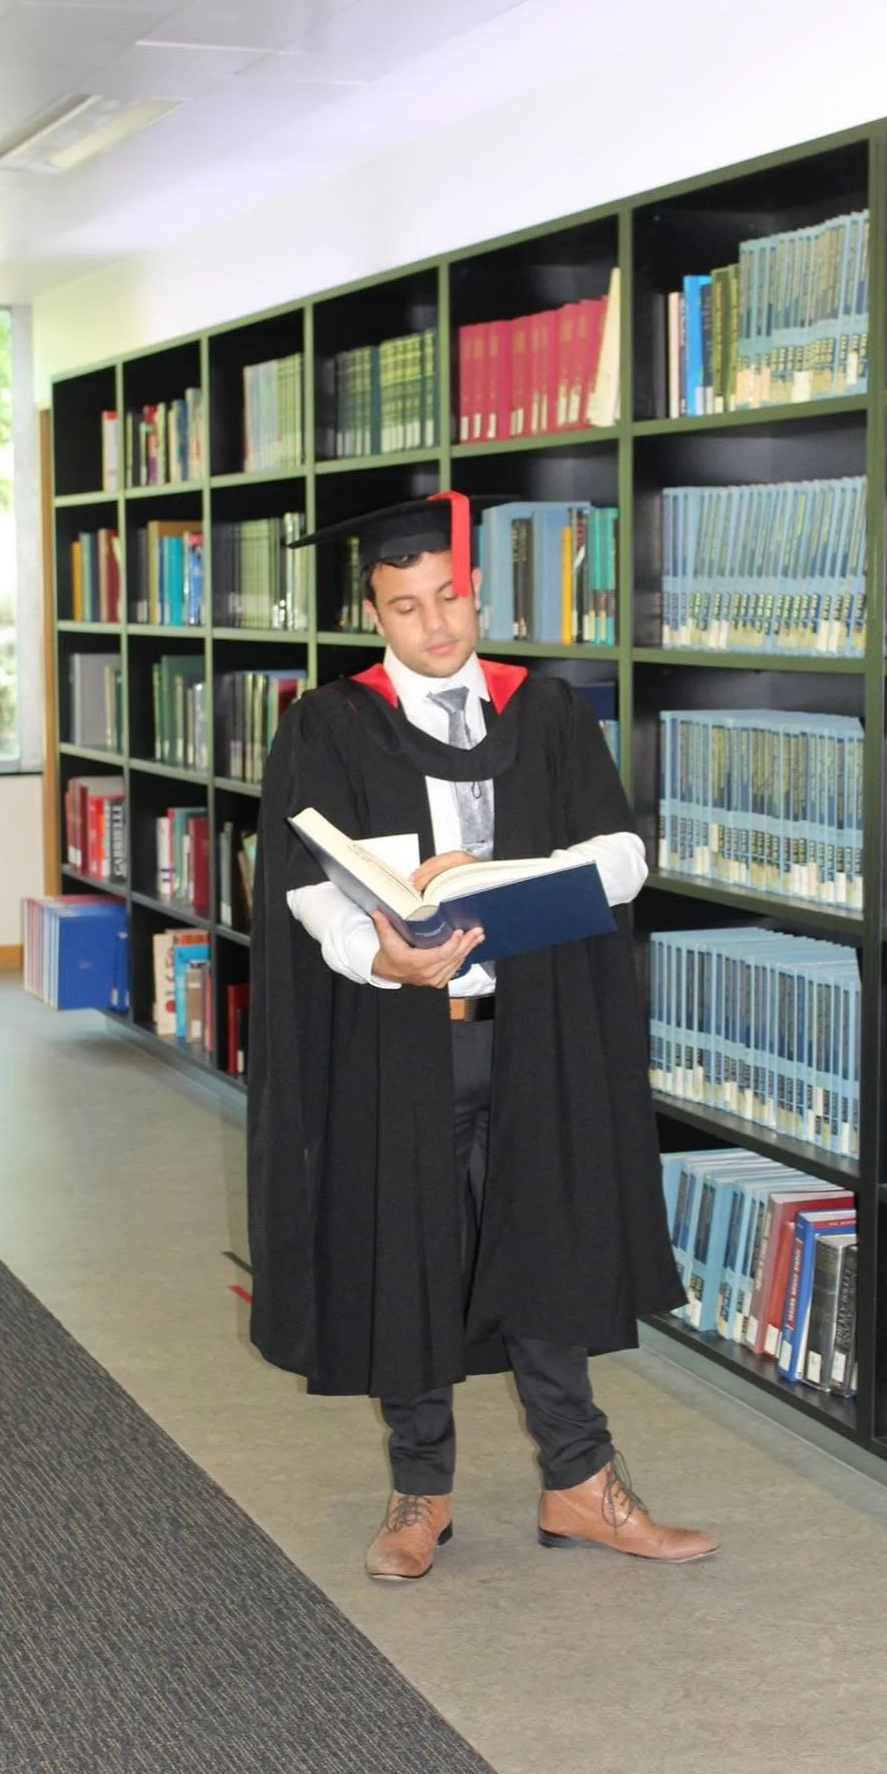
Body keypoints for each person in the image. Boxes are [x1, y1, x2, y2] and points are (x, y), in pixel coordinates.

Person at [248, 489, 717, 1580]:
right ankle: (422, 1492)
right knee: (406, 1252)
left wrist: (511, 878)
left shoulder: (545, 713)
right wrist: (379, 952)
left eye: (450, 595)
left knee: (544, 1250)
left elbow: (624, 857)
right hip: (405, 1040)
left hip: (534, 1035)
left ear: (475, 590)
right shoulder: (329, 723)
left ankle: (582, 1484)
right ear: (374, 614)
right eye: (406, 605)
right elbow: (302, 886)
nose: (437, 623)